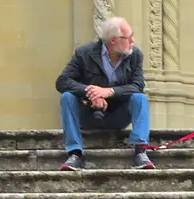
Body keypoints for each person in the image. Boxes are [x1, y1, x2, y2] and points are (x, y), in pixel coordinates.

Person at [55, 16, 153, 170]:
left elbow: (138, 85)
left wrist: (109, 92)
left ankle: (140, 151)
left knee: (140, 98)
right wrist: (91, 93)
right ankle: (75, 154)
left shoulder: (135, 55)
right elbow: (62, 81)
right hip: (88, 113)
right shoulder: (84, 53)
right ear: (113, 40)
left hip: (117, 115)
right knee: (67, 97)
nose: (133, 41)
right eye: (128, 37)